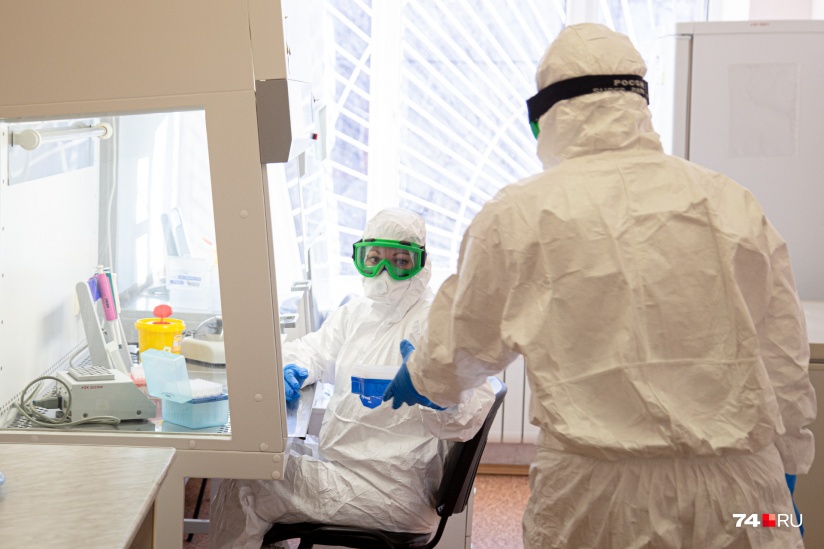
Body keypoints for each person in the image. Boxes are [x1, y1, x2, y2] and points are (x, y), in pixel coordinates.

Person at [383, 23, 815, 549]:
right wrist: (789, 467)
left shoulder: (520, 212)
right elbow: (783, 352)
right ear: (638, 104)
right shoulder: (728, 202)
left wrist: (421, 375)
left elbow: (463, 342)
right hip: (743, 492)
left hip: (597, 498)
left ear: (546, 117)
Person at [209, 207, 494, 549]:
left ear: (422, 264)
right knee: (258, 461)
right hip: (351, 468)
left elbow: (470, 409)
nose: (384, 272)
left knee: (247, 482)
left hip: (391, 490)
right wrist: (296, 368)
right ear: (360, 259)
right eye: (373, 259)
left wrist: (438, 393)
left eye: (400, 261)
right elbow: (315, 349)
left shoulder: (434, 323)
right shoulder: (358, 312)